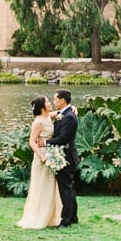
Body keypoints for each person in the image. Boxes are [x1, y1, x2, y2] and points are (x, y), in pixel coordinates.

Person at [17, 96, 63, 229]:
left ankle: (52, 217)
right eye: (48, 102)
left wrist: (73, 108)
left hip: (51, 153)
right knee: (42, 185)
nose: (50, 103)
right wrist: (42, 156)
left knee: (51, 185)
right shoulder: (38, 122)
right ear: (42, 106)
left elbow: (60, 112)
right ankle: (39, 217)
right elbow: (31, 141)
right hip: (42, 156)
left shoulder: (48, 117)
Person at [44, 89, 79, 227]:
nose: (54, 102)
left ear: (62, 100)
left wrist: (46, 142)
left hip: (66, 156)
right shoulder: (64, 114)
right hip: (64, 155)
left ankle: (66, 220)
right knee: (68, 187)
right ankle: (73, 217)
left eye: (55, 99)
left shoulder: (69, 116)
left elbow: (63, 138)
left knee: (66, 188)